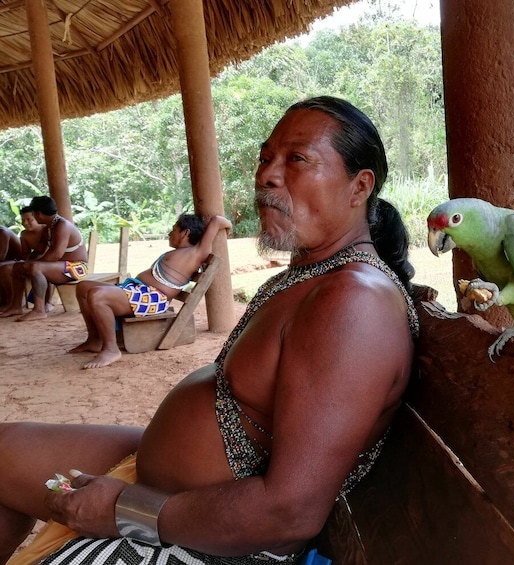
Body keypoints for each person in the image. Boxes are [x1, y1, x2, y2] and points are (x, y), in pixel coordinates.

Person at [0, 96, 418, 564]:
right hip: (171, 486)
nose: (267, 175)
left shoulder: (354, 304)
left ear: (359, 186)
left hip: (222, 542)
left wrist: (124, 507)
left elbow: (288, 515)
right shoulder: (316, 276)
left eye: (297, 159)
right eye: (266, 158)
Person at [68, 213, 232, 369]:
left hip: (152, 299)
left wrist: (228, 227)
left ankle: (111, 349)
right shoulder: (180, 252)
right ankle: (95, 339)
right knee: (84, 287)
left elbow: (217, 220)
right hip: (138, 290)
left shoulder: (196, 253)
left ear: (185, 233)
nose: (169, 233)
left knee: (98, 296)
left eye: (173, 229)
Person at [0, 196, 87, 321]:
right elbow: (39, 251)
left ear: (38, 213)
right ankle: (15, 306)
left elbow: (56, 254)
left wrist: (32, 264)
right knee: (18, 267)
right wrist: (26, 263)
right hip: (61, 266)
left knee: (35, 267)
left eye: (34, 214)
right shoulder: (49, 227)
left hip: (77, 268)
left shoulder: (62, 226)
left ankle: (39, 310)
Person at [0, 207, 50, 312]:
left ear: (37, 217)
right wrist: (27, 261)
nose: (25, 223)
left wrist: (32, 261)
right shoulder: (24, 234)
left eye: (29, 220)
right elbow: (25, 255)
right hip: (30, 261)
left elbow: (1, 256)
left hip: (48, 263)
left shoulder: (47, 230)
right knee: (10, 268)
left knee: (6, 268)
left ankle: (45, 303)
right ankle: (13, 304)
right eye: (23, 220)